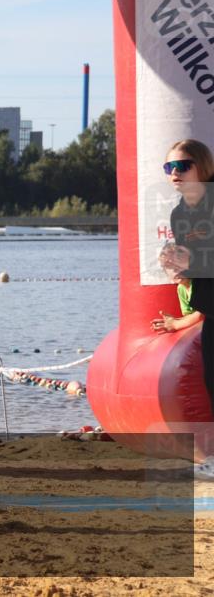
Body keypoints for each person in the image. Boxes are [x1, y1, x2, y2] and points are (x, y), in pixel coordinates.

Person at [161, 139, 214, 476]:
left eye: (183, 166)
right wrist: (180, 269)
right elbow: (195, 265)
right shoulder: (179, 212)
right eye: (170, 168)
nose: (175, 173)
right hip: (211, 306)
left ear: (203, 167)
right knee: (213, 383)